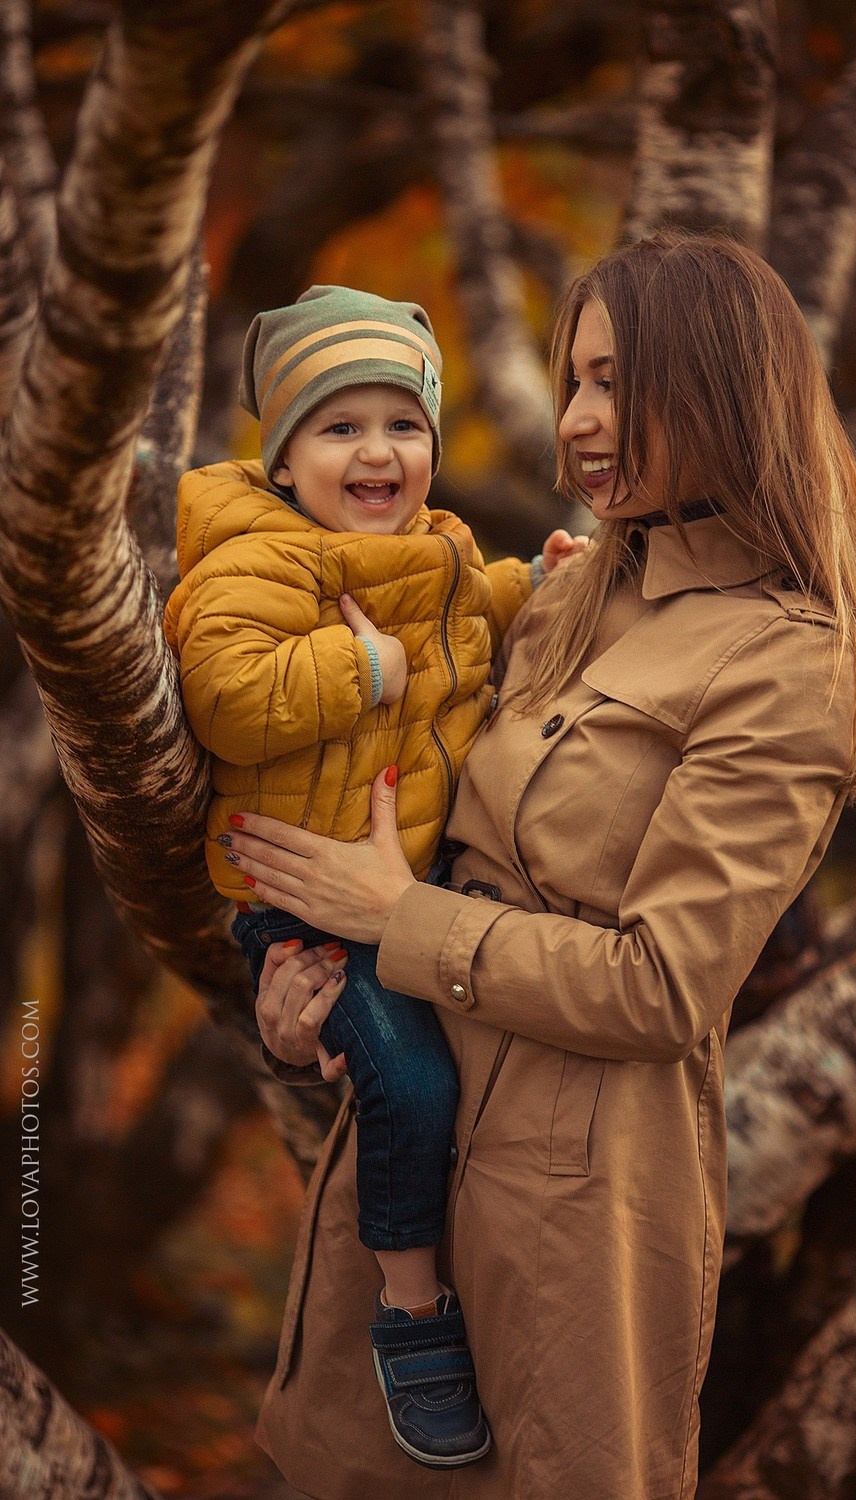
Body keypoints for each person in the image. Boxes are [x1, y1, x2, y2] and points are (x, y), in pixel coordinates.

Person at [219, 230, 856, 1500]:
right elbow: (425, 813)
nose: (579, 421)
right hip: (416, 1127)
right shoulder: (575, 590)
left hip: (579, 1192)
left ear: (716, 390)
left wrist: (402, 917)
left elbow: (660, 987)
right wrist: (310, 984)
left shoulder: (787, 662)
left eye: (611, 384)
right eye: (573, 382)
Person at [163, 285, 586, 1470]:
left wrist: (526, 590)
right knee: (410, 1087)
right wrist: (367, 663)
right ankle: (410, 1312)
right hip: (306, 897)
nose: (377, 452)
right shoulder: (258, 559)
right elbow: (229, 699)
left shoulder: (436, 548)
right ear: (284, 454)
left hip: (407, 879)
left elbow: (466, 625)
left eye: (401, 425)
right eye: (338, 427)